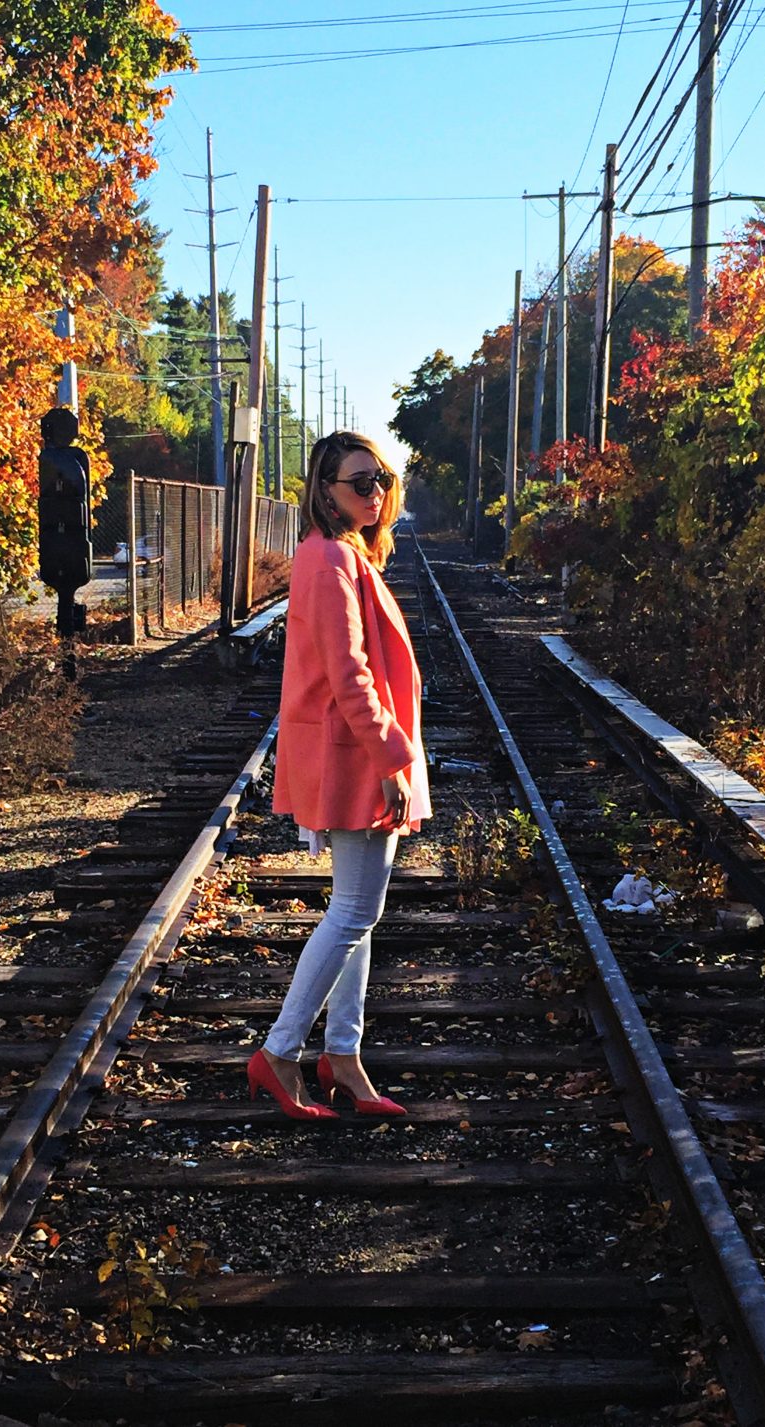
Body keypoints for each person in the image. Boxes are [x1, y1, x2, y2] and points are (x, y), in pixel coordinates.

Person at [246, 431, 432, 1121]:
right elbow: (350, 674)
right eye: (359, 481)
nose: (374, 491)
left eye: (380, 478)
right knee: (356, 910)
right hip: (354, 753)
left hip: (360, 750)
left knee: (359, 910)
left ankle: (343, 1056)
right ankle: (280, 1052)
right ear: (325, 490)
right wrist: (392, 756)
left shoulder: (347, 553)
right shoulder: (326, 559)